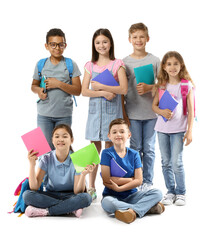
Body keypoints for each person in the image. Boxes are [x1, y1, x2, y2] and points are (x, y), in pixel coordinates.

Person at [82, 28, 128, 199]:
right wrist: (102, 93)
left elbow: (123, 88)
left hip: (112, 115)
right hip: (95, 115)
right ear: (94, 45)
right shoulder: (89, 65)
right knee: (94, 150)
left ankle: (109, 187)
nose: (101, 45)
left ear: (110, 43)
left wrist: (103, 87)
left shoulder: (118, 64)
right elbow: (84, 91)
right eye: (98, 42)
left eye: (105, 42)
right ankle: (91, 187)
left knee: (109, 151)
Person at [100, 118, 164, 224]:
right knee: (106, 203)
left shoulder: (134, 154)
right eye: (114, 132)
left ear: (129, 135)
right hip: (112, 196)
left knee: (158, 193)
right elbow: (106, 180)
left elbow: (139, 181)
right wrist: (131, 179)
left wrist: (120, 187)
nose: (118, 134)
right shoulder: (106, 153)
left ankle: (131, 211)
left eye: (122, 131)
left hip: (133, 196)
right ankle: (145, 208)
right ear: (109, 136)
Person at [23, 124, 94, 217]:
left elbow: (78, 191)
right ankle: (70, 208)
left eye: (65, 136)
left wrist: (83, 175)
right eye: (57, 137)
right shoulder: (46, 158)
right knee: (27, 195)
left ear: (71, 140)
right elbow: (34, 187)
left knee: (86, 198)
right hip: (50, 195)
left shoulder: (77, 158)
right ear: (52, 140)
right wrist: (32, 165)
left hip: (71, 195)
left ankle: (47, 211)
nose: (60, 139)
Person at [152, 51, 194, 206]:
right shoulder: (162, 85)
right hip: (162, 129)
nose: (172, 67)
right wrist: (161, 111)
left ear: (181, 65)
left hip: (178, 130)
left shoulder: (186, 85)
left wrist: (189, 131)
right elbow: (154, 106)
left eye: (176, 63)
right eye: (169, 64)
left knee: (177, 162)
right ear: (163, 66)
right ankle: (170, 191)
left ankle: (181, 192)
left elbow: (191, 111)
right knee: (166, 162)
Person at [123, 23, 160, 191]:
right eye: (135, 37)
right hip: (133, 113)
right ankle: (136, 179)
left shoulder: (155, 60)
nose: (138, 40)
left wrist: (149, 88)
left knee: (150, 149)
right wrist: (123, 114)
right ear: (130, 39)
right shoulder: (124, 62)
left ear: (148, 39)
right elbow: (122, 91)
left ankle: (148, 181)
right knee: (135, 148)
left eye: (142, 37)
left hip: (152, 113)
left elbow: (164, 86)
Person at [31, 28, 82, 150]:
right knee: (45, 149)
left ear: (65, 45)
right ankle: (47, 170)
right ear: (46, 46)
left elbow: (78, 90)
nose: (57, 48)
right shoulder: (41, 64)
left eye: (60, 44)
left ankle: (70, 169)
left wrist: (58, 84)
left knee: (62, 148)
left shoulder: (70, 64)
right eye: (53, 45)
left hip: (64, 115)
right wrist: (38, 91)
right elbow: (33, 85)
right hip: (44, 115)